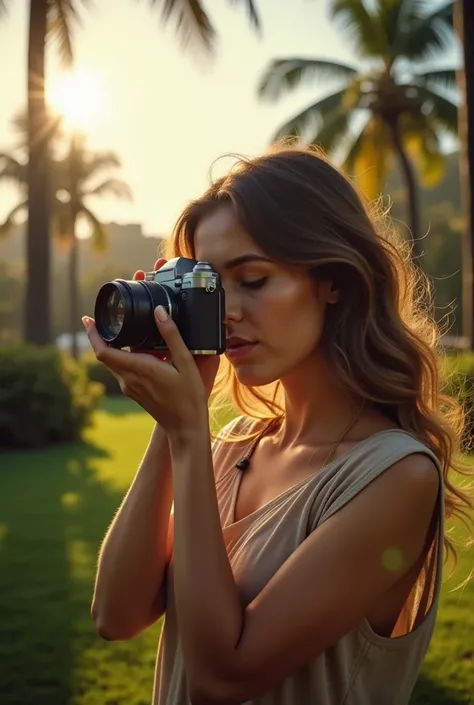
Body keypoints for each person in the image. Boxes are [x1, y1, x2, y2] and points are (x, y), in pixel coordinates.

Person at [83, 146, 473, 705]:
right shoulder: (233, 446)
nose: (228, 312)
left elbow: (222, 679)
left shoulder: (396, 475)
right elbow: (115, 615)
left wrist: (191, 435)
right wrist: (172, 421)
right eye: (211, 290)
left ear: (332, 280)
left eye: (255, 280)